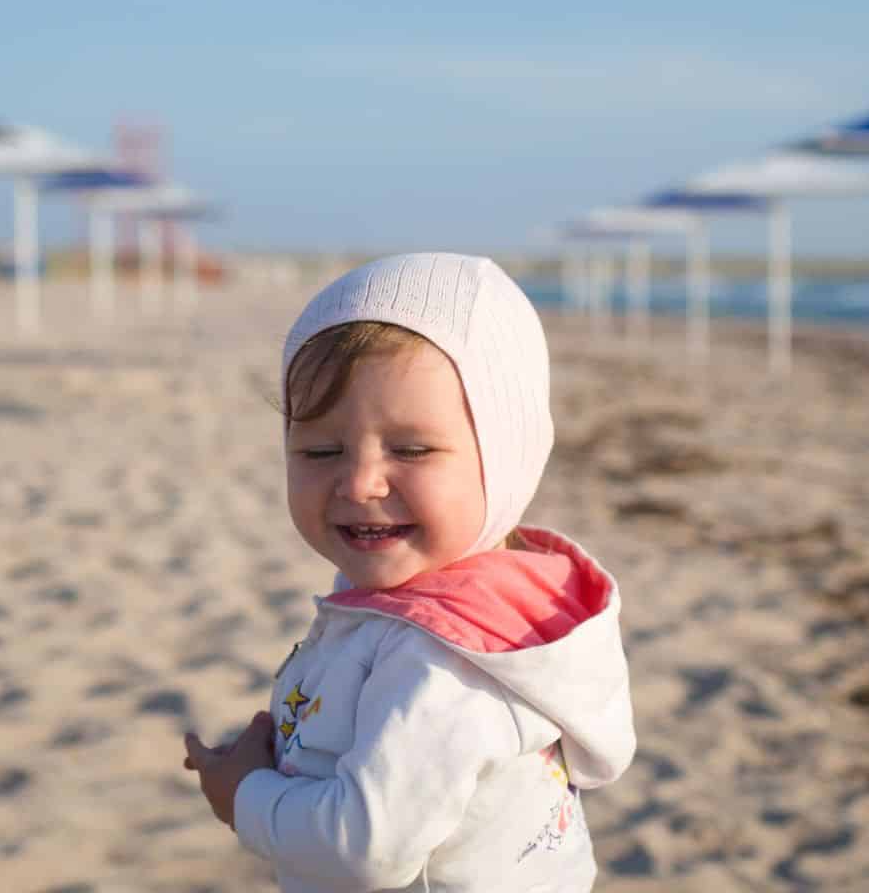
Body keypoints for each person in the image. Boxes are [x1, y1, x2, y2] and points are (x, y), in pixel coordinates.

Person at [183, 252, 635, 891]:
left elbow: (364, 847)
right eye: (319, 450)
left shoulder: (446, 660)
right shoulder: (468, 600)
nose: (361, 483)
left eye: (413, 449)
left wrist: (243, 798)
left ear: (507, 455)